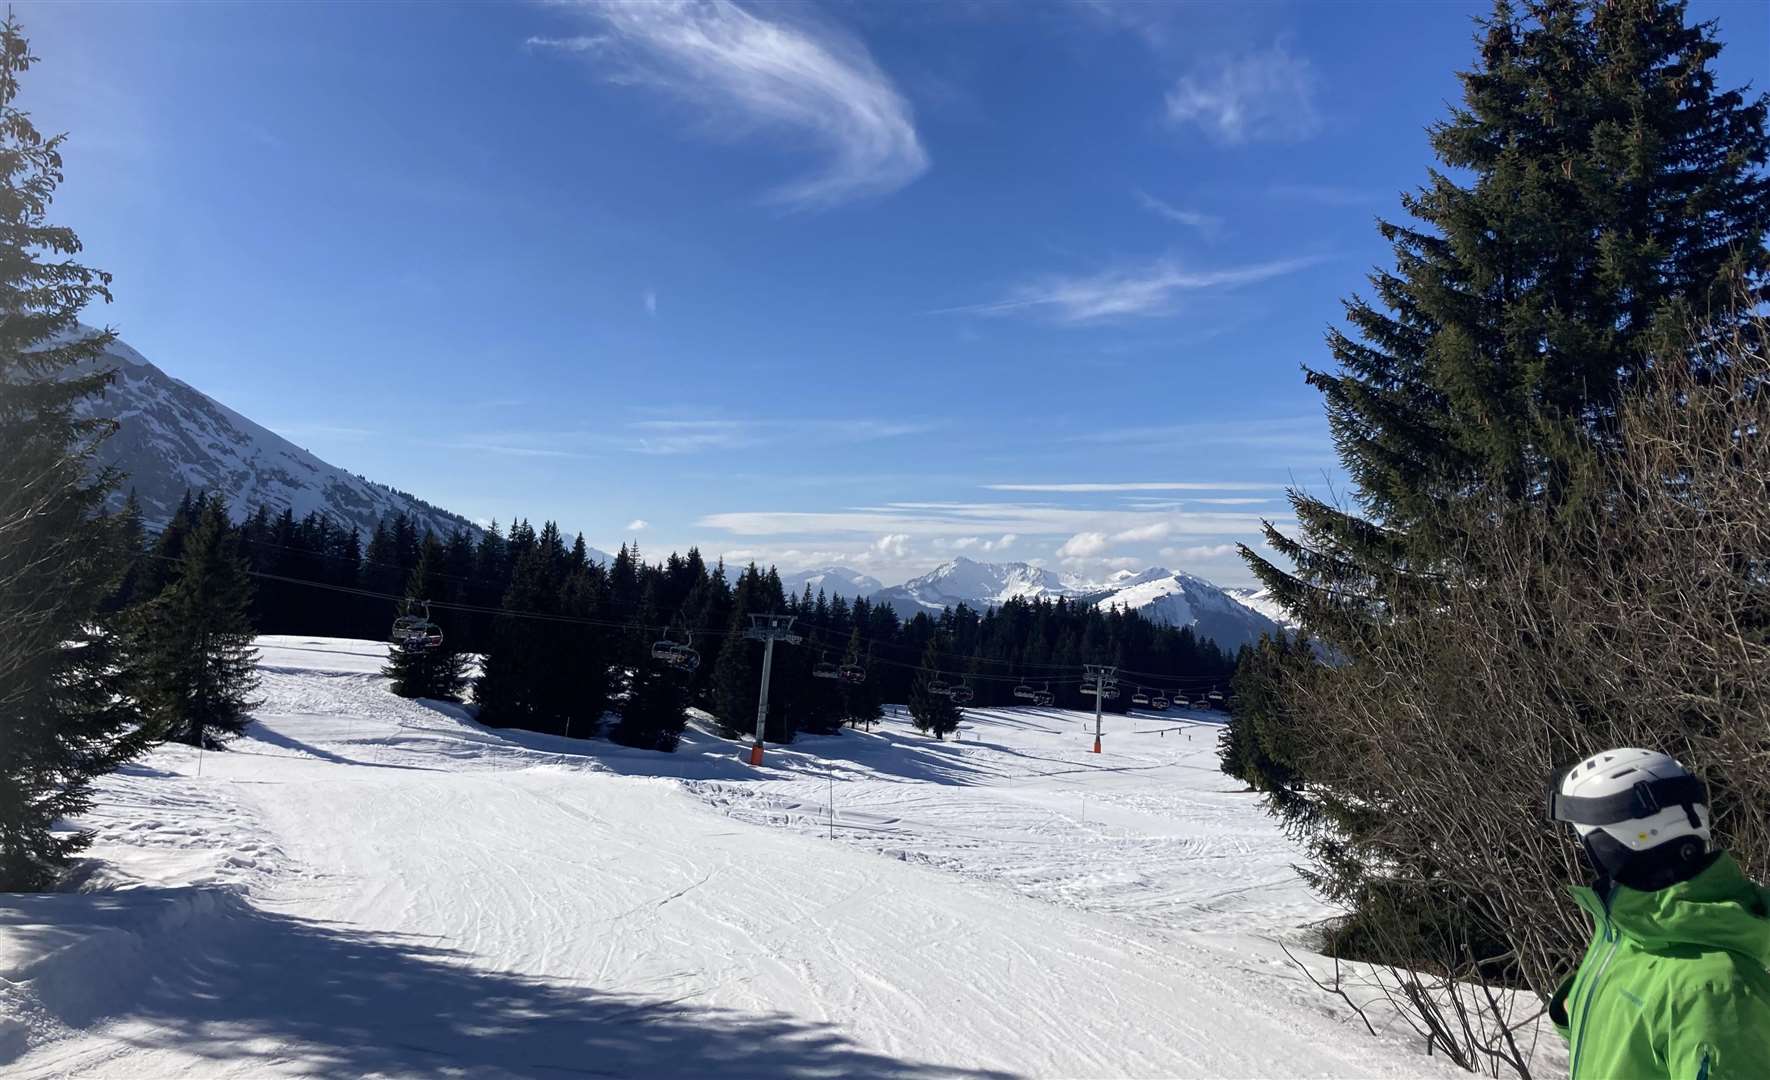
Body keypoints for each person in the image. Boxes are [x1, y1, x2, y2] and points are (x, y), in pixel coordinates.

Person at [1546, 748, 1770, 1079]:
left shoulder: (1710, 990)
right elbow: (1642, 1032)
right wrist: (1580, 1007)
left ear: (1620, 844)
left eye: (1588, 843)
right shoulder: (1638, 932)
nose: (1584, 856)